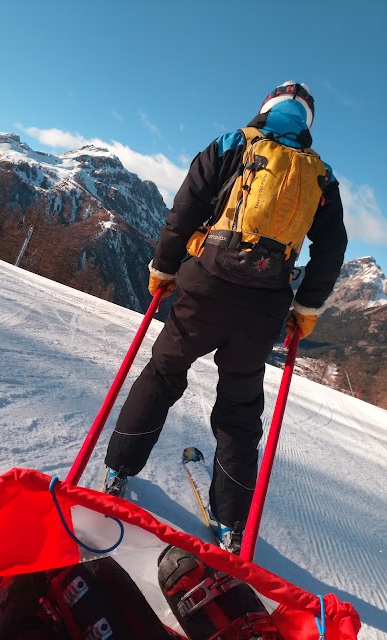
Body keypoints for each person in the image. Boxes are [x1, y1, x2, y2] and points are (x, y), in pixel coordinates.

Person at [104, 81, 347, 552]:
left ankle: (118, 469)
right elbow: (331, 248)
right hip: (263, 308)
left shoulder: (233, 143)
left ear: (265, 109)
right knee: (239, 411)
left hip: (205, 287)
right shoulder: (321, 175)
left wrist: (164, 267)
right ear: (308, 124)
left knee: (163, 372)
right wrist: (306, 308)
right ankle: (230, 524)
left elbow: (185, 208)